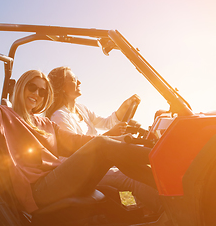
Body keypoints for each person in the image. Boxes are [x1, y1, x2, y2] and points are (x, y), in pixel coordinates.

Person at [0, 41, 156, 214]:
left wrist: (121, 139)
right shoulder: (4, 115)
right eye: (32, 87)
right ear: (22, 87)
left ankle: (163, 181)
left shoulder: (45, 123)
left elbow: (76, 141)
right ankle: (161, 156)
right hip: (39, 188)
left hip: (58, 179)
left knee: (110, 171)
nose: (37, 93)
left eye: (43, 91)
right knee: (102, 146)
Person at [47, 66, 161, 213]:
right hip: (81, 171)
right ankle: (165, 211)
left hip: (98, 163)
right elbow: (77, 152)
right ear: (62, 87)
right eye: (74, 79)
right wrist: (111, 134)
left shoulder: (81, 109)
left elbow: (108, 122)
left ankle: (148, 210)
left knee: (137, 168)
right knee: (132, 179)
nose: (79, 82)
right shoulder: (59, 117)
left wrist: (125, 106)